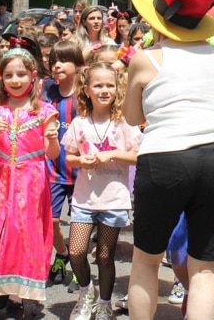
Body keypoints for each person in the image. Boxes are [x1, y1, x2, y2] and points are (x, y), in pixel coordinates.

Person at [123, 0, 214, 320]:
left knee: (146, 259)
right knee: (204, 267)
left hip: (166, 156)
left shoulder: (145, 59)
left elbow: (132, 117)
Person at [0, 48, 59, 320]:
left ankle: (16, 294)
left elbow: (51, 154)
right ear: (1, 78)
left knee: (20, 234)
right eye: (8, 75)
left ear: (33, 76)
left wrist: (53, 139)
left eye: (21, 74)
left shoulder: (45, 111)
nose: (15, 80)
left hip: (31, 181)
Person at [63, 62, 142, 320]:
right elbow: (69, 157)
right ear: (87, 89)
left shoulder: (124, 122)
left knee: (105, 257)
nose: (104, 90)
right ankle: (86, 294)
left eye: (110, 85)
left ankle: (105, 303)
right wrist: (80, 161)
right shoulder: (79, 122)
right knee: (76, 252)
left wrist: (113, 154)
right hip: (84, 199)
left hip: (114, 200)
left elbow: (138, 155)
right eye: (98, 85)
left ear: (117, 88)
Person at [41, 41, 83, 288]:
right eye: (53, 61)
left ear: (78, 65)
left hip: (80, 172)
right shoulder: (48, 92)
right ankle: (63, 253)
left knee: (80, 224)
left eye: (64, 60)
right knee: (51, 221)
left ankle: (79, 265)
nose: (57, 65)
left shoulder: (85, 95)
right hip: (53, 171)